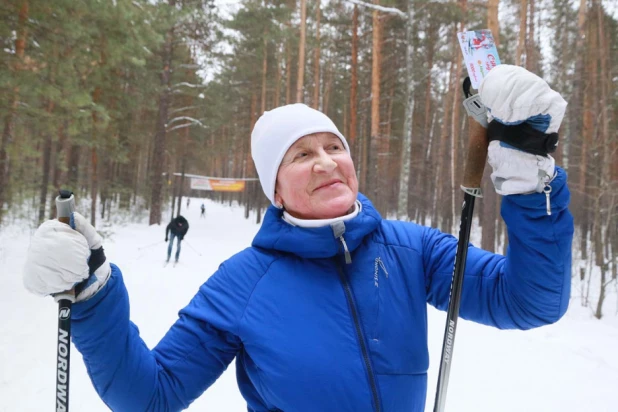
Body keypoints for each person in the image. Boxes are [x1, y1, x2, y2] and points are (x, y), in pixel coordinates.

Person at [22, 65, 573, 411]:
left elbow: (530, 301)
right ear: (275, 189)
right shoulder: (242, 284)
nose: (326, 162)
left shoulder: (413, 251)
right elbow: (151, 396)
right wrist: (93, 301)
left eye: (334, 147)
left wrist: (529, 182)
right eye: (301, 155)